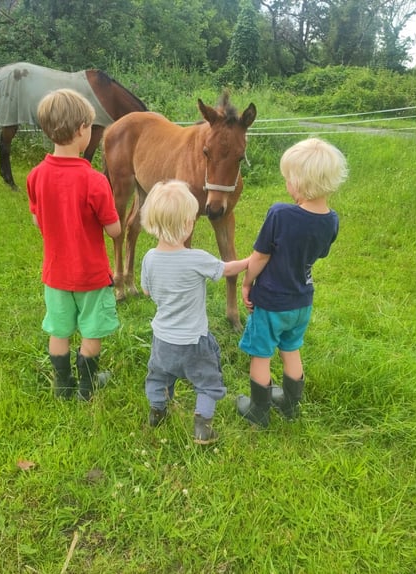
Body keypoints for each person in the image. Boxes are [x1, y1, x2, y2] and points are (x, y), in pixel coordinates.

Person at [236, 138, 348, 428]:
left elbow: (260, 256)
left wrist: (247, 282)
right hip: (302, 302)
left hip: (272, 302)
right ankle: (289, 405)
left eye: (287, 179)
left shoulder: (280, 214)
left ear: (298, 182)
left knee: (261, 354)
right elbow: (319, 253)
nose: (286, 184)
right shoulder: (331, 220)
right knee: (291, 348)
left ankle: (258, 411)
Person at [26, 88, 121, 401]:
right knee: (91, 331)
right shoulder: (95, 180)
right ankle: (86, 388)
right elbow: (114, 230)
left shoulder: (35, 176)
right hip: (91, 276)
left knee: (59, 330)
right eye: (90, 129)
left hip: (55, 275)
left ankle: (62, 385)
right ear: (82, 130)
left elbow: (39, 222)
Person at [140, 180, 250, 444]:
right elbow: (227, 269)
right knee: (207, 382)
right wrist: (251, 261)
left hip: (163, 339)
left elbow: (146, 291)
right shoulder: (196, 258)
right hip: (194, 341)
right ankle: (202, 425)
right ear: (189, 223)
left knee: (159, 376)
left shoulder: (149, 259)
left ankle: (157, 410)